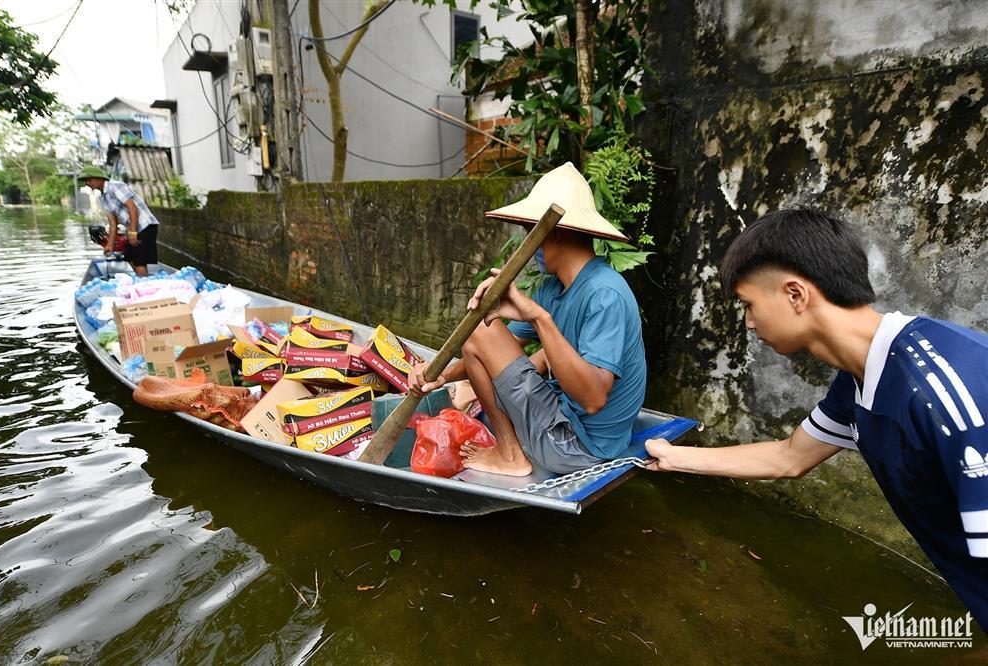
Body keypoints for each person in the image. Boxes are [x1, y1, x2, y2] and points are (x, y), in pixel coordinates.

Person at [644, 207, 987, 630]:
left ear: (795, 294)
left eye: (748, 304)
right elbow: (789, 457)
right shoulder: (859, 378)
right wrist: (675, 458)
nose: (748, 323)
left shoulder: (948, 389)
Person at [408, 163, 647, 477]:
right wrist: (442, 376)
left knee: (480, 332)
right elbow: (488, 350)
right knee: (482, 329)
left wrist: (538, 317)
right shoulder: (553, 287)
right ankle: (510, 449)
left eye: (529, 233)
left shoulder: (605, 294)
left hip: (578, 448)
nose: (527, 245)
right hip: (563, 423)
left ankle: (510, 455)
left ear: (554, 232)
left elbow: (592, 400)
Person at [78, 165, 160, 276]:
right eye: (85, 181)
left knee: (139, 260)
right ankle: (143, 280)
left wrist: (132, 232)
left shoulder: (115, 186)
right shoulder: (103, 197)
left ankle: (145, 286)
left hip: (145, 225)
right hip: (135, 227)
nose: (87, 183)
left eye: (89, 179)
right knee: (129, 257)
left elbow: (133, 208)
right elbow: (113, 223)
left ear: (99, 178)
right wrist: (110, 246)